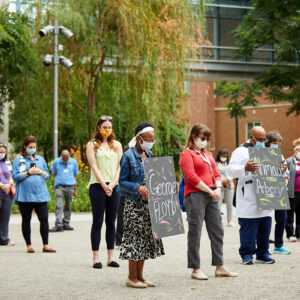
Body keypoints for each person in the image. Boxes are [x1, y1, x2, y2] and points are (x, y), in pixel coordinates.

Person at [179, 123, 237, 280]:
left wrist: (217, 188)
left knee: (217, 229)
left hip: (212, 194)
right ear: (194, 137)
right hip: (196, 194)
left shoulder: (208, 154)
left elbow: (217, 174)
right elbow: (191, 176)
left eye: (207, 139)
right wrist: (210, 190)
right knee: (195, 231)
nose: (205, 141)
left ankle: (220, 266)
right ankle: (195, 268)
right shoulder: (187, 153)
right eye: (203, 138)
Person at [118, 122, 164, 288]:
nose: (151, 142)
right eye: (149, 139)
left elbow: (155, 177)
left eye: (153, 139)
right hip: (134, 204)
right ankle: (131, 277)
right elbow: (121, 183)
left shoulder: (150, 154)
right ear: (139, 138)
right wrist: (137, 187)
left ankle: (140, 276)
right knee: (135, 240)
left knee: (145, 239)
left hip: (148, 205)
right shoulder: (128, 156)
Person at [227, 126, 274, 265]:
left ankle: (263, 253)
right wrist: (244, 168)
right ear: (252, 137)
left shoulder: (267, 152)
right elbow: (230, 171)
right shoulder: (240, 151)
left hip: (266, 192)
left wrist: (280, 169)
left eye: (264, 139)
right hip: (248, 194)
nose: (262, 142)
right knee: (248, 228)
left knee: (265, 227)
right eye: (259, 139)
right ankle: (247, 254)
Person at [86, 116, 122, 269]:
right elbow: (94, 166)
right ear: (99, 127)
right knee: (98, 221)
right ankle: (96, 258)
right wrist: (104, 184)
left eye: (109, 127)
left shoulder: (117, 145)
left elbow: (120, 166)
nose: (107, 130)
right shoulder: (92, 145)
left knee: (111, 222)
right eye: (104, 127)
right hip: (97, 186)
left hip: (114, 187)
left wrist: (113, 184)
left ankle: (110, 258)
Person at [12, 136, 55, 253]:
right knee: (26, 220)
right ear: (25, 147)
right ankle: (29, 245)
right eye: (30, 147)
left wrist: (41, 172)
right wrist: (28, 173)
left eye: (34, 147)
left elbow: (47, 175)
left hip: (40, 195)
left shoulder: (40, 159)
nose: (33, 149)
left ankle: (46, 245)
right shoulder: (18, 159)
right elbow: (15, 177)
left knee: (44, 219)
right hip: (24, 196)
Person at [265, 131, 291, 254]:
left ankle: (278, 245)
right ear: (268, 143)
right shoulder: (261, 155)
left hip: (280, 191)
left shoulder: (280, 156)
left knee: (282, 218)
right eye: (274, 143)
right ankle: (263, 246)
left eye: (278, 143)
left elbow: (286, 173)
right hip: (267, 191)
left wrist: (285, 179)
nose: (276, 145)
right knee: (265, 219)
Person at [49, 150, 78, 232]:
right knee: (59, 205)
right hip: (59, 187)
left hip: (70, 187)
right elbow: (54, 173)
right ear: (61, 156)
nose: (65, 160)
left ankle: (66, 223)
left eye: (67, 158)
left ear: (69, 156)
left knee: (68, 206)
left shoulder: (73, 162)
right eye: (63, 158)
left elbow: (75, 176)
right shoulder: (56, 162)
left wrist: (75, 189)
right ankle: (58, 225)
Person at [215, 149, 235, 227]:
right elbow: (216, 174)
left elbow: (232, 173)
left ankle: (229, 220)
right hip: (220, 185)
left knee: (229, 204)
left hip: (230, 186)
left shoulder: (230, 164)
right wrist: (223, 181)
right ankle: (218, 220)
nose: (224, 158)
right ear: (219, 156)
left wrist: (228, 180)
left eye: (226, 156)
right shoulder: (216, 164)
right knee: (218, 204)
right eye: (223, 156)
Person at [0, 143, 15, 246]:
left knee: (5, 216)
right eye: (0, 152)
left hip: (8, 193)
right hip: (1, 189)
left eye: (3, 152)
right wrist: (2, 186)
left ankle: (4, 239)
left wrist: (9, 184)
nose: (2, 154)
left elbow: (11, 175)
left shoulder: (7, 162)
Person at [285, 138, 300, 242]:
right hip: (292, 192)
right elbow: (285, 175)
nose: (299, 152)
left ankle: (299, 233)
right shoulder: (289, 161)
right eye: (297, 150)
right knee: (290, 214)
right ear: (294, 151)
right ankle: (290, 234)